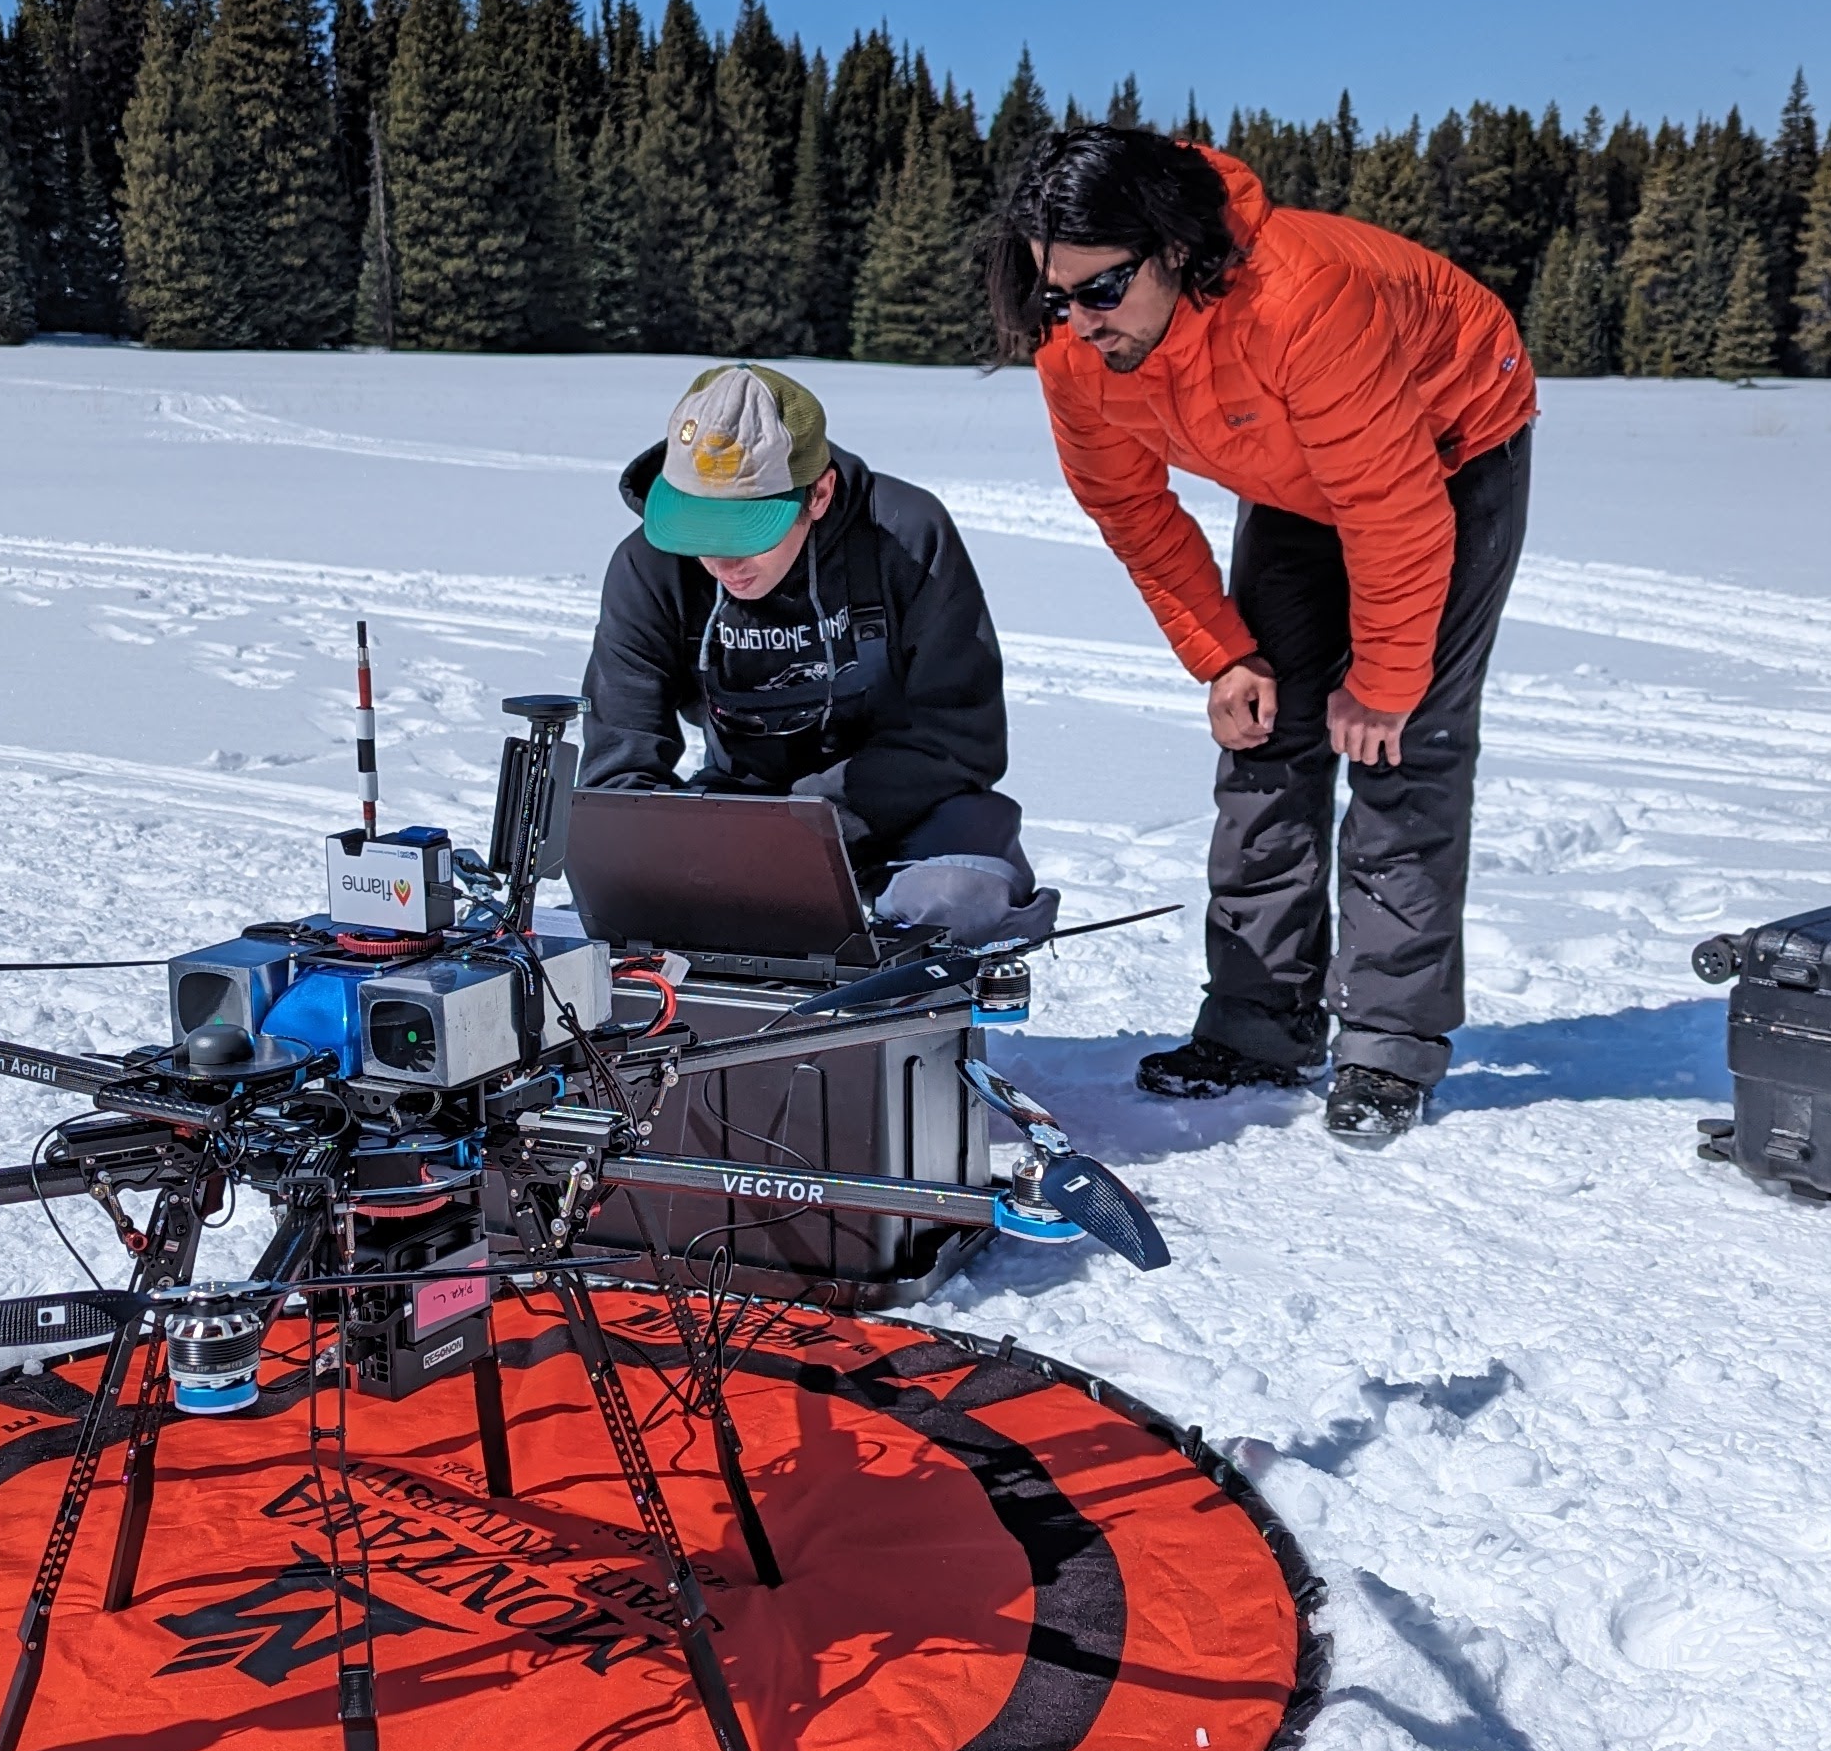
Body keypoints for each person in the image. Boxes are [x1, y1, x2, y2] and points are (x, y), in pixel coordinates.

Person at [992, 124, 1537, 1142]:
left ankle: (1387, 1044)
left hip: (1451, 444)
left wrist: (1383, 677)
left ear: (1177, 252)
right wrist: (1223, 652)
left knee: (1400, 745)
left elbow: (1392, 509)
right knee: (1260, 728)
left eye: (1101, 291)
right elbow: (1133, 511)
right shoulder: (1077, 353)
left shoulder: (1304, 300)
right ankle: (1258, 1024)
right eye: (1051, 295)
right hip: (1289, 466)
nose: (1075, 321)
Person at [580, 363, 1055, 945]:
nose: (722, 562)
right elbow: (619, 766)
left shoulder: (907, 536)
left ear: (819, 494)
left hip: (907, 811)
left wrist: (809, 825)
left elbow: (963, 738)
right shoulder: (650, 565)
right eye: (699, 531)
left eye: (747, 531)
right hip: (742, 819)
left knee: (964, 900)